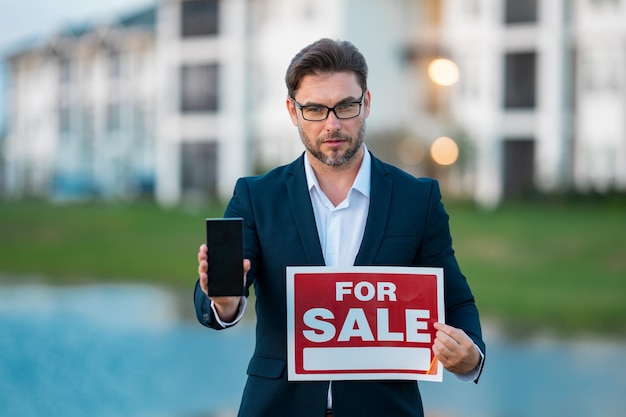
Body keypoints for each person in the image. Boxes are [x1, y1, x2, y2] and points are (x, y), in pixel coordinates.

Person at [194, 38, 485, 417]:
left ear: (366, 104)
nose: (332, 124)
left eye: (345, 106)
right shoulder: (256, 196)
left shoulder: (418, 198)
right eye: (314, 109)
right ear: (292, 111)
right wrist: (226, 303)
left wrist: (471, 357)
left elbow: (456, 300)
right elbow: (216, 299)